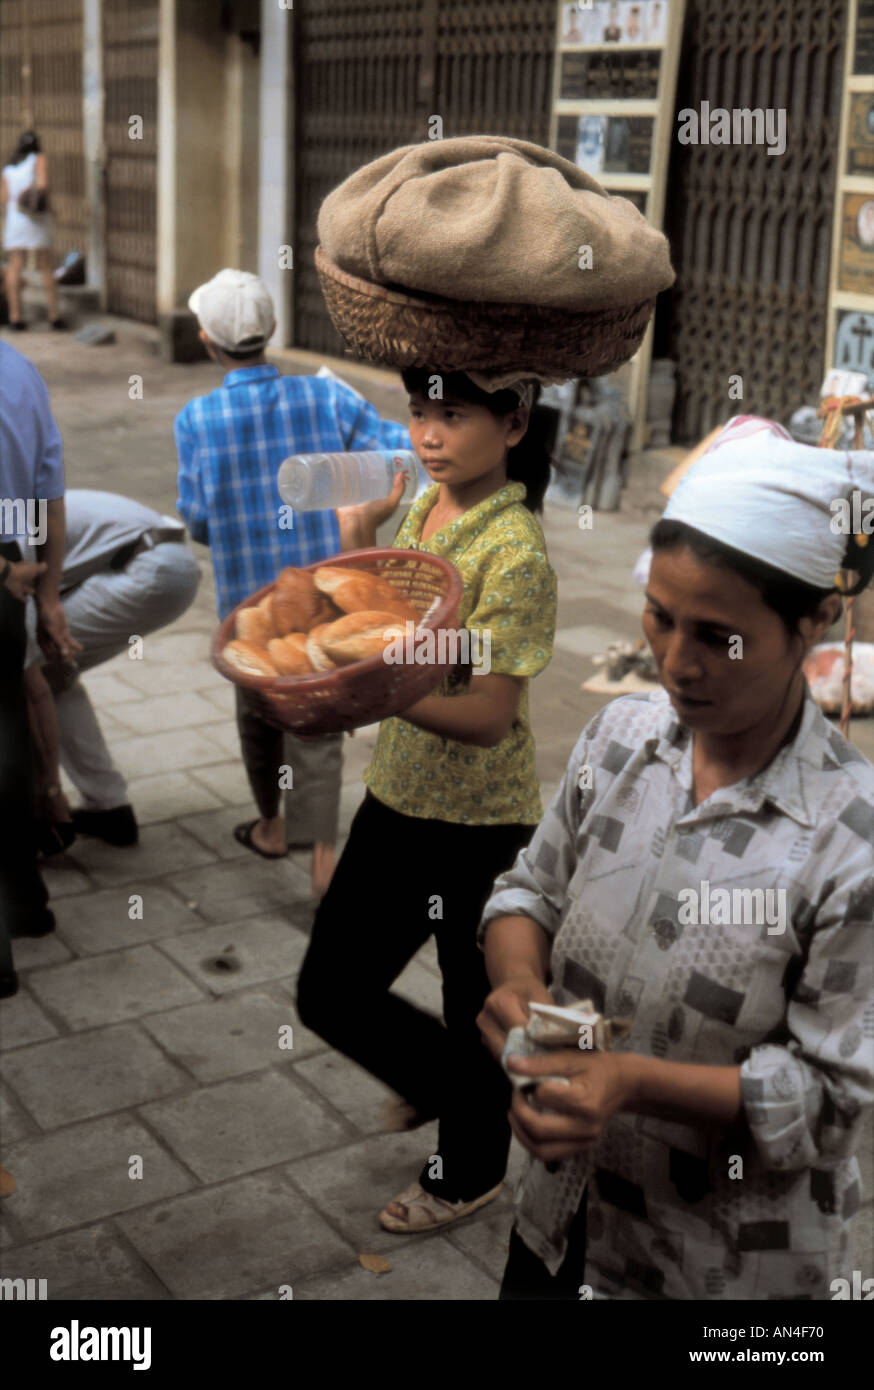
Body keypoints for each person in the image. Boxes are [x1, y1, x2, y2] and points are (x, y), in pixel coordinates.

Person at [477, 416, 874, 1300]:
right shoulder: (620, 739)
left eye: (719, 637)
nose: (675, 663)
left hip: (719, 1267)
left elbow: (834, 1098)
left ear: (813, 622)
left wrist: (630, 1081)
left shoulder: (851, 839)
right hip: (558, 1225)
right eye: (659, 618)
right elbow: (528, 890)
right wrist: (518, 988)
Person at [297, 367, 558, 1231]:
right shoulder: (422, 510)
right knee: (330, 991)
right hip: (398, 796)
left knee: (470, 1002)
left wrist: (385, 697)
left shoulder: (513, 551)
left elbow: (487, 715)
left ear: (513, 423)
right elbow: (371, 624)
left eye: (452, 416)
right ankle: (457, 1087)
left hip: (480, 826)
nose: (428, 435)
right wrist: (359, 531)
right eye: (418, 414)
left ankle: (468, 1170)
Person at [175, 269, 410, 897]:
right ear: (272, 331)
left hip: (249, 607)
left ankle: (275, 827)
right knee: (316, 723)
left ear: (206, 341)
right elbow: (399, 457)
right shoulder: (328, 399)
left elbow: (196, 518)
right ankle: (324, 857)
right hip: (326, 592)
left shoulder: (197, 418)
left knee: (258, 710)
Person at [19, 489, 201, 851]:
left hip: (151, 569)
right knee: (55, 674)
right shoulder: (18, 510)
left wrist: (49, 785)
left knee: (33, 671)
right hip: (169, 563)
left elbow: (23, 667)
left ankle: (53, 807)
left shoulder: (12, 534)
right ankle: (108, 809)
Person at [0, 341, 75, 996]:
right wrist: (46, 596)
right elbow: (49, 495)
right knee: (7, 738)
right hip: (12, 572)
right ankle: (25, 902)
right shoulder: (19, 370)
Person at [1, 131, 64, 331]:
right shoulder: (39, 159)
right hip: (36, 219)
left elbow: (3, 199)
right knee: (45, 265)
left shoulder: (8, 169)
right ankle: (54, 315)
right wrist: (51, 209)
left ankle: (15, 317)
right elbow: (43, 185)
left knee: (15, 266)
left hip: (15, 219)